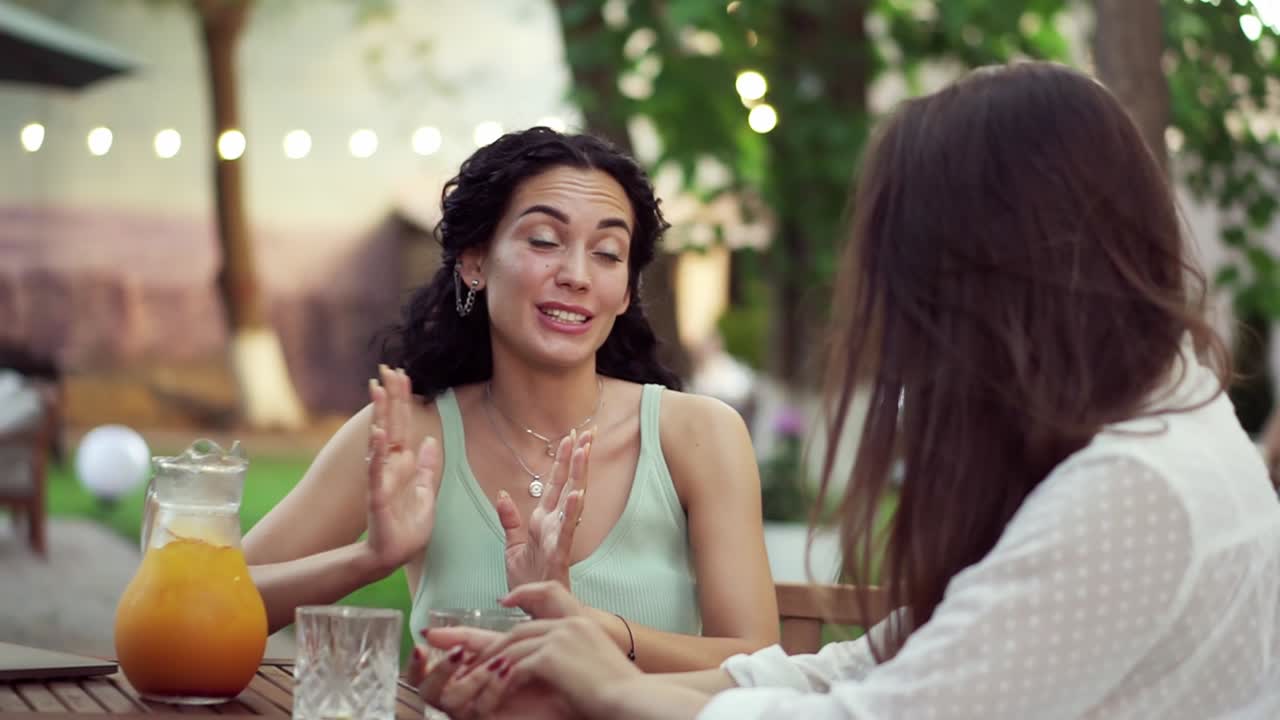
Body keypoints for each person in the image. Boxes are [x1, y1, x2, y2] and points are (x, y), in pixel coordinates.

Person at [418, 62, 1280, 719]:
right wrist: (600, 669)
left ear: (997, 270)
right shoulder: (1153, 424)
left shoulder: (1137, 485)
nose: (899, 308)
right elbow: (869, 667)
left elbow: (877, 712)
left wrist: (613, 682)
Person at [240, 128, 779, 674]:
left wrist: (589, 630)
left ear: (626, 291)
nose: (575, 275)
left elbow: (756, 658)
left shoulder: (697, 435)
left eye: (608, 253)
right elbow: (208, 603)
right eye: (544, 241)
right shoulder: (412, 435)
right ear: (475, 263)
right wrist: (365, 561)